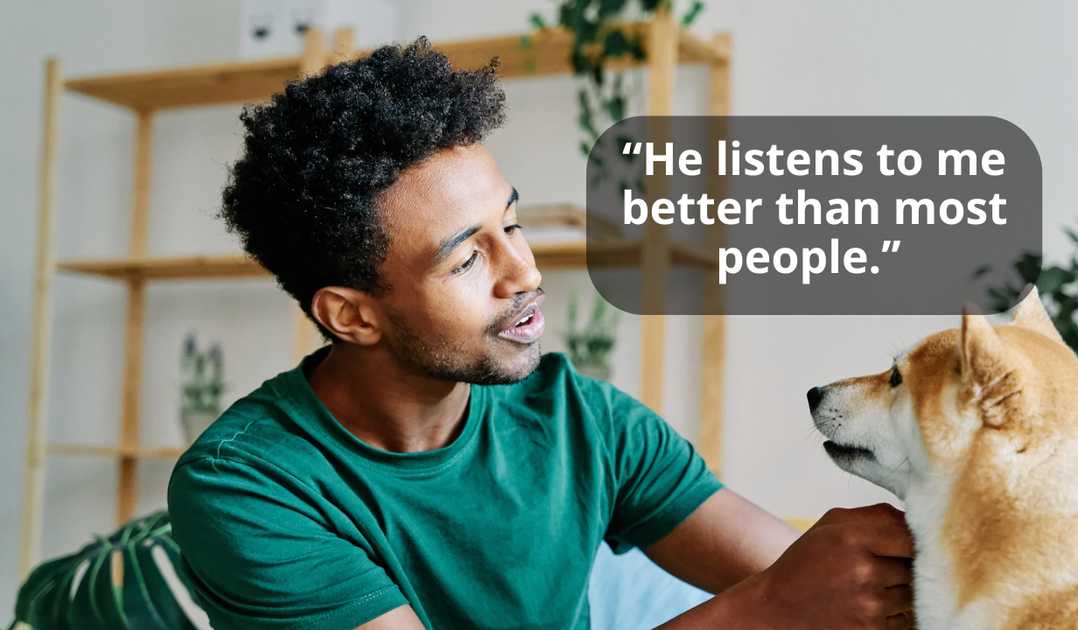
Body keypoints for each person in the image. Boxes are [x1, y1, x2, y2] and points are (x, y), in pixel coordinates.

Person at [166, 37, 914, 630]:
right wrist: (764, 611)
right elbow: (780, 598)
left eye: (512, 224)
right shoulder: (245, 484)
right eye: (467, 258)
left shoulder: (583, 423)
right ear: (351, 315)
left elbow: (815, 582)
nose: (522, 272)